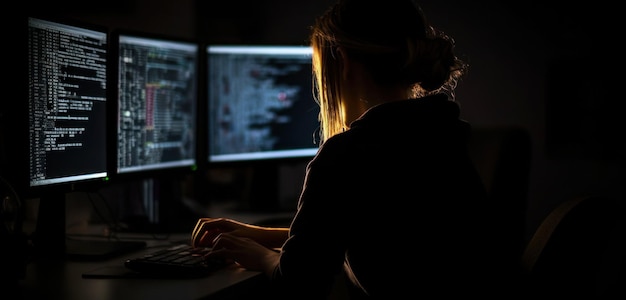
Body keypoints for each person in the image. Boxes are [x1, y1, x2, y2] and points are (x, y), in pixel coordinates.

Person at [192, 0, 512, 298]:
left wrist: (259, 256)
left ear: (342, 60)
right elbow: (379, 232)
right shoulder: (440, 133)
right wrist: (258, 234)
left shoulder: (348, 153)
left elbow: (298, 283)